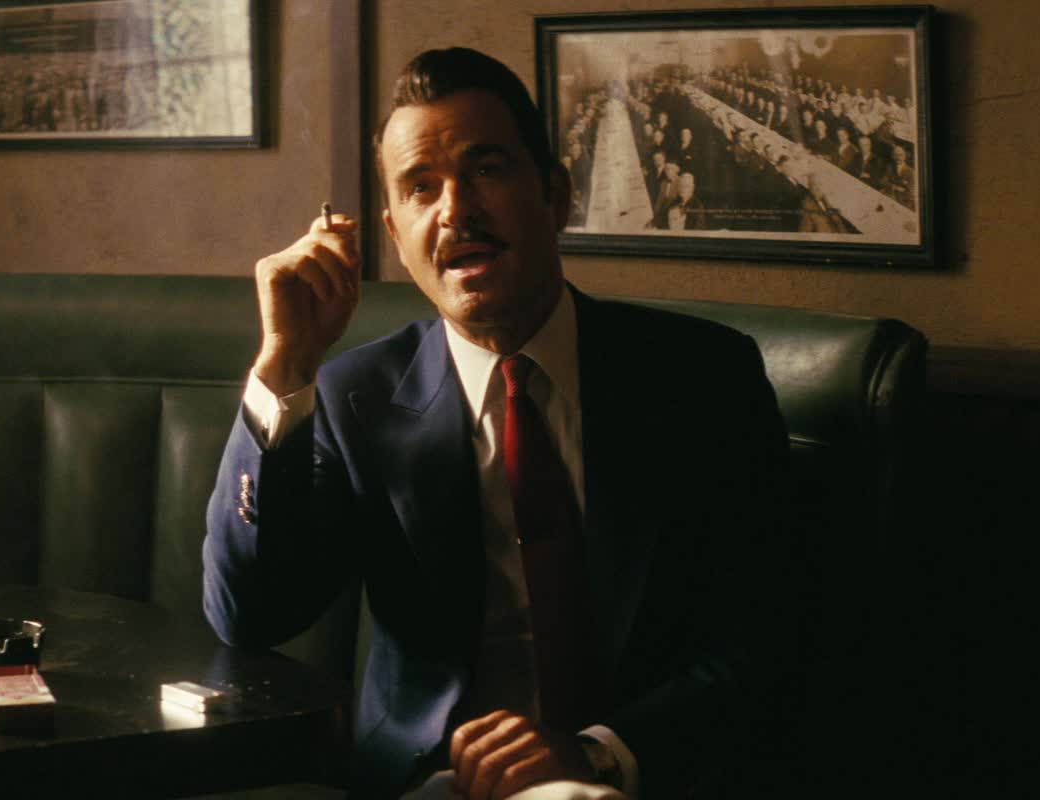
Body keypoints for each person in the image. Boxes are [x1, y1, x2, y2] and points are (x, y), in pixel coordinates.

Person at [203, 47, 796, 800]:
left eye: (486, 169)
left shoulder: (702, 378)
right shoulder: (359, 398)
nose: (455, 211)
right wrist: (284, 364)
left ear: (556, 193)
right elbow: (249, 617)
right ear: (395, 234)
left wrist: (597, 755)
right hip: (430, 783)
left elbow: (767, 637)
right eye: (421, 188)